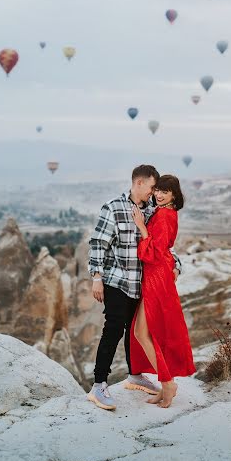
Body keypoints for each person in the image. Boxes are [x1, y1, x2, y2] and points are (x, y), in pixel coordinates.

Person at [87, 165, 182, 411]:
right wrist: (97, 277)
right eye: (152, 187)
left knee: (135, 331)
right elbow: (98, 243)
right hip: (118, 280)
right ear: (139, 183)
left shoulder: (152, 211)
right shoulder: (113, 208)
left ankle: (135, 375)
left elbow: (163, 246)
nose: (154, 193)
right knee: (114, 328)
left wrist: (177, 266)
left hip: (142, 284)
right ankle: (98, 384)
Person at [131, 174, 196, 408]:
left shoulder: (167, 215)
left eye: (164, 192)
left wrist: (141, 228)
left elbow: (155, 252)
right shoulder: (162, 212)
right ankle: (166, 382)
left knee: (143, 332)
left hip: (157, 277)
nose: (158, 194)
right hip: (155, 276)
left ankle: (168, 383)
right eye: (157, 190)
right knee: (143, 333)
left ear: (174, 195)